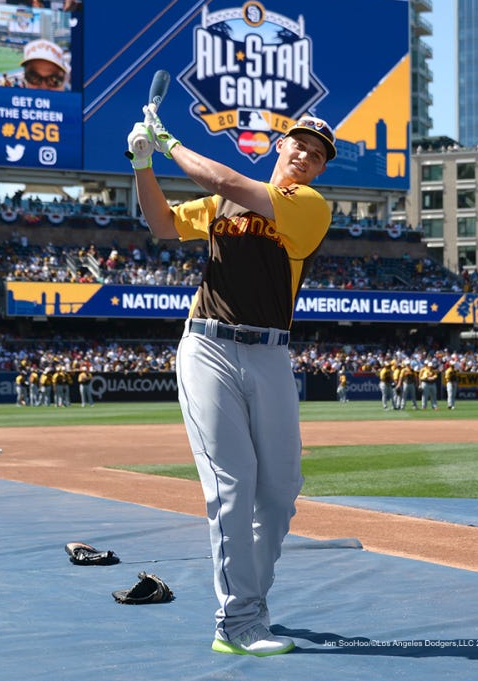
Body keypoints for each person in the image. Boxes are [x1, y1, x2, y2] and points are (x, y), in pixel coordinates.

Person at [127, 108, 336, 657]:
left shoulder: (309, 206)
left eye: (317, 155)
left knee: (280, 491)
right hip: (209, 347)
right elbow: (162, 224)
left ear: (317, 171)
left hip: (271, 352)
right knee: (232, 485)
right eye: (300, 145)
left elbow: (226, 180)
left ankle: (251, 602)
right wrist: (142, 163)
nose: (306, 157)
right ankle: (237, 622)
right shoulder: (222, 205)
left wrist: (167, 142)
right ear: (279, 146)